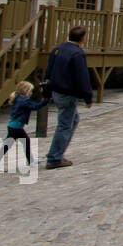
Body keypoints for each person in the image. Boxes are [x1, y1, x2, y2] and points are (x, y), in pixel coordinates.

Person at [43, 25, 93, 170]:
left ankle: (58, 153)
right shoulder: (77, 54)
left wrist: (48, 89)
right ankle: (54, 157)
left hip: (57, 91)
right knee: (64, 125)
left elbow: (49, 70)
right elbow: (82, 77)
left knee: (73, 120)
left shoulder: (58, 50)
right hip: (67, 93)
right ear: (83, 38)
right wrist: (88, 97)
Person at [0, 81, 47, 171]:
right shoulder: (24, 101)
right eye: (30, 91)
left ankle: (31, 161)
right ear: (25, 91)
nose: (31, 93)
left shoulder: (18, 98)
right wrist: (46, 100)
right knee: (8, 145)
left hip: (14, 126)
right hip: (16, 128)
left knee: (24, 142)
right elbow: (36, 106)